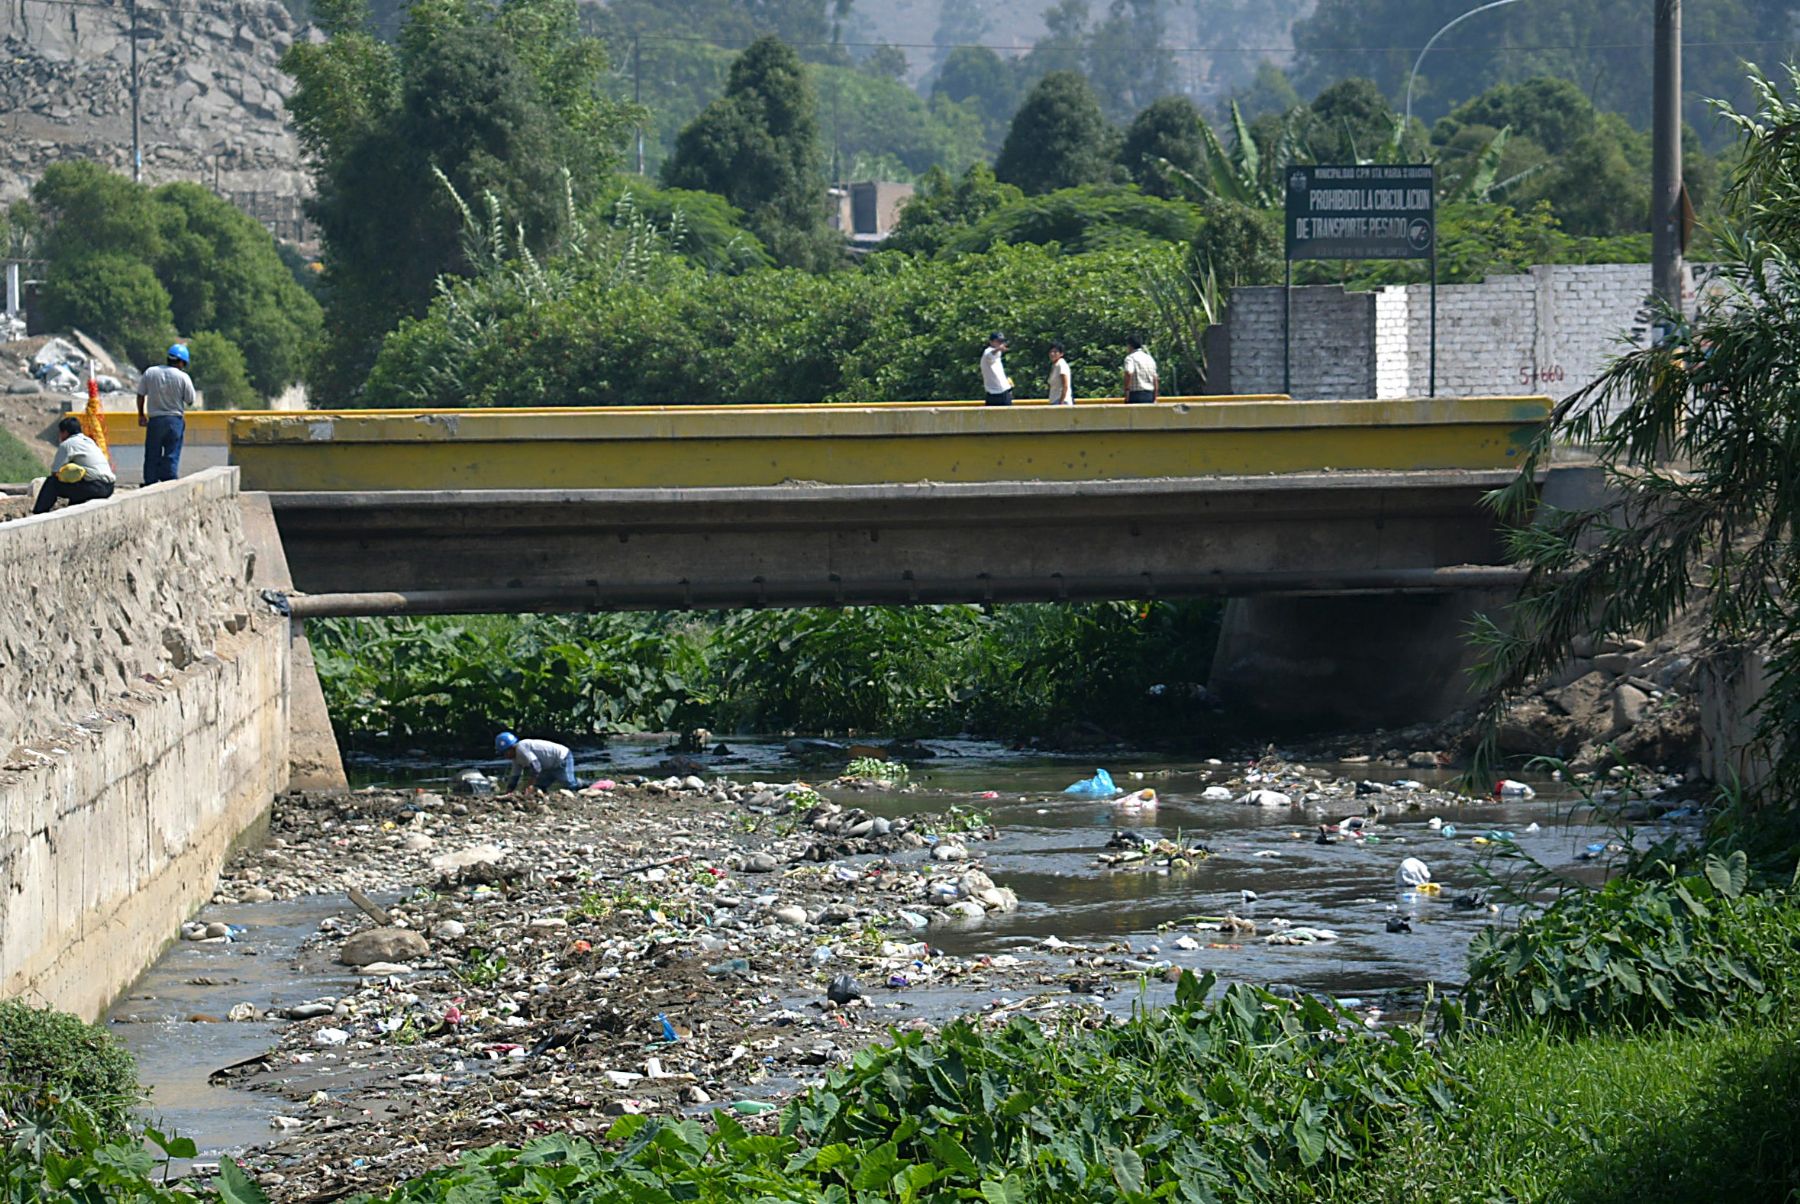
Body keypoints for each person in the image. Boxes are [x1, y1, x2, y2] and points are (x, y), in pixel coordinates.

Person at [137, 342, 196, 485]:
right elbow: (190, 400)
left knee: (152, 454)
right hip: (174, 420)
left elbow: (140, 395)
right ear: (181, 362)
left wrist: (141, 414)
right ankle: (169, 483)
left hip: (155, 420)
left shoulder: (150, 372)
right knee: (171, 454)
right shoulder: (183, 377)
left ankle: (150, 482)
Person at [32, 416, 116, 514]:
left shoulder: (67, 444)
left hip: (96, 488)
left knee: (52, 483)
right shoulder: (89, 441)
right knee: (77, 478)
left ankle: (39, 512)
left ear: (65, 432)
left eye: (60, 433)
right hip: (109, 487)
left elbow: (55, 472)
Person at [495, 730, 578, 792]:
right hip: (547, 766)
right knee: (540, 787)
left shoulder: (521, 748)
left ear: (512, 748)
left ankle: (583, 785)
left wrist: (530, 784)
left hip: (562, 758)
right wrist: (509, 791)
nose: (505, 756)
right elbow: (515, 776)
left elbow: (536, 767)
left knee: (570, 785)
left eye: (505, 753)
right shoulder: (516, 759)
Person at [980, 332, 1014, 407]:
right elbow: (990, 355)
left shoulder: (998, 353)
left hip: (1004, 392)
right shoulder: (988, 351)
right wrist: (998, 349)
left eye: (1001, 341)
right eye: (997, 341)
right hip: (994, 394)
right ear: (991, 342)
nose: (1000, 343)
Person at [1122, 335, 1158, 404]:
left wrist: (1127, 393)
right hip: (1149, 394)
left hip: (1135, 395)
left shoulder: (1130, 358)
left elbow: (1129, 373)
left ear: (1130, 345)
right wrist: (1155, 398)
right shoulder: (1149, 358)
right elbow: (1155, 378)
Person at [1046, 341, 1073, 406]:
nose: (1052, 354)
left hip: (1061, 401)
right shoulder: (1055, 365)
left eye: (1055, 352)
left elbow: (1065, 385)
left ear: (1061, 354)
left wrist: (1061, 403)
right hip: (1054, 400)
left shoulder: (1061, 364)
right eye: (1051, 352)